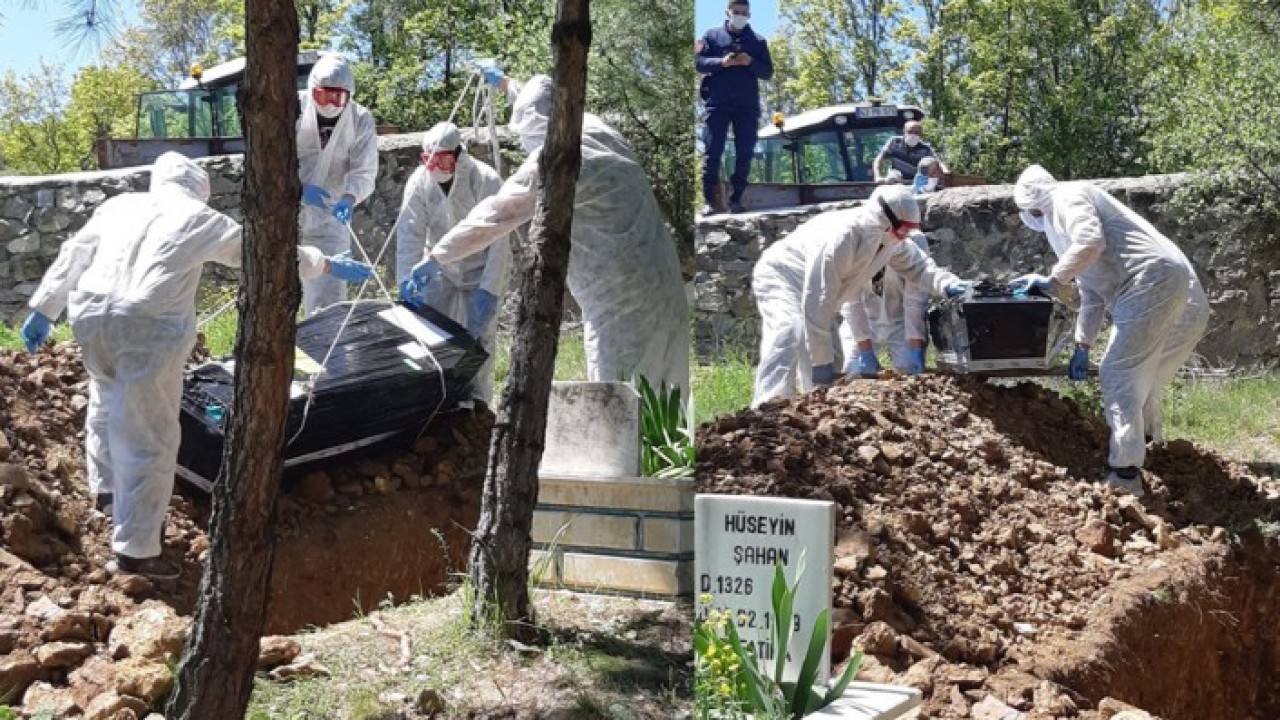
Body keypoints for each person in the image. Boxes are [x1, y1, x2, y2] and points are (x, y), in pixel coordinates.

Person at [18, 152, 374, 579]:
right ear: (199, 190)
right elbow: (266, 252)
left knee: (106, 400)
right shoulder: (198, 218)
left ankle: (108, 494)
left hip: (91, 317)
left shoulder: (118, 206)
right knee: (150, 436)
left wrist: (43, 309)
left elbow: (73, 254)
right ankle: (137, 552)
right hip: (147, 326)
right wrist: (326, 263)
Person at [403, 73, 690, 395]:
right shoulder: (597, 129)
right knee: (668, 393)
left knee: (620, 396)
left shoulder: (556, 161)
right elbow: (543, 103)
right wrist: (505, 83)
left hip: (620, 301)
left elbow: (495, 217)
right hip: (663, 276)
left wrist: (438, 257)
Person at [1011, 164, 1209, 497]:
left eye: (1031, 211)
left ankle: (1125, 474)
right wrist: (1082, 345)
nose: (1032, 218)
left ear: (1033, 201)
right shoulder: (1062, 223)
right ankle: (1149, 447)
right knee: (1144, 374)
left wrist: (1053, 280)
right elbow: (1091, 294)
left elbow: (1090, 242)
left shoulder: (1067, 195)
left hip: (1150, 280)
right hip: (1179, 288)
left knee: (1118, 371)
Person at [751, 185, 973, 407]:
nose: (906, 236)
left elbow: (920, 267)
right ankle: (768, 406)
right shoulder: (844, 238)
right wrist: (821, 364)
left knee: (832, 361)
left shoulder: (888, 240)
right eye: (904, 230)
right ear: (886, 221)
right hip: (783, 275)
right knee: (789, 331)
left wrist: (947, 284)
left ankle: (811, 412)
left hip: (817, 291)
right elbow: (818, 300)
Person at [395, 122, 508, 404]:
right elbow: (409, 234)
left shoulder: (485, 179)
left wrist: (489, 289)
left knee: (477, 342)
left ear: (459, 155)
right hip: (437, 272)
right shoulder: (419, 183)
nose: (435, 168)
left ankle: (476, 404)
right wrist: (406, 281)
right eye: (428, 160)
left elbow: (499, 240)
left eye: (443, 160)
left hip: (479, 270)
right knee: (433, 337)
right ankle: (439, 402)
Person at [297, 52, 379, 317]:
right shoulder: (293, 108)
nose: (331, 105)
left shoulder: (360, 119)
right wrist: (296, 191)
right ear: (312, 89)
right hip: (285, 215)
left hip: (329, 220)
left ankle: (322, 343)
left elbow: (364, 170)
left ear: (350, 95)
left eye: (338, 98)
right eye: (323, 96)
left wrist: (349, 198)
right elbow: (271, 163)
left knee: (327, 302)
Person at [696, 0, 774, 216]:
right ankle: (710, 201)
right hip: (717, 104)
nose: (739, 15)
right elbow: (698, 63)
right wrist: (722, 62)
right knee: (712, 151)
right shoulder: (711, 36)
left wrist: (750, 62)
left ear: (749, 15)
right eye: (736, 11)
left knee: (745, 153)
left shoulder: (758, 41)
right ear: (728, 12)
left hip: (746, 106)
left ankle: (736, 199)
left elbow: (767, 72)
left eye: (744, 12)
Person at [838, 230, 933, 377]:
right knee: (851, 370)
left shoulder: (914, 240)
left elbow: (915, 298)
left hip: (902, 322)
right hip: (864, 319)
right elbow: (852, 301)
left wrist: (915, 348)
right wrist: (865, 350)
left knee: (908, 373)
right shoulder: (852, 241)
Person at [875, 120, 947, 184]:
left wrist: (945, 174)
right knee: (892, 176)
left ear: (920, 134)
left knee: (928, 162)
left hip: (918, 181)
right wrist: (877, 176)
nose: (913, 135)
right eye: (910, 132)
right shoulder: (894, 142)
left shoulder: (925, 149)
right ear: (904, 132)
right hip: (896, 179)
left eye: (916, 133)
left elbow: (938, 165)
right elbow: (879, 159)